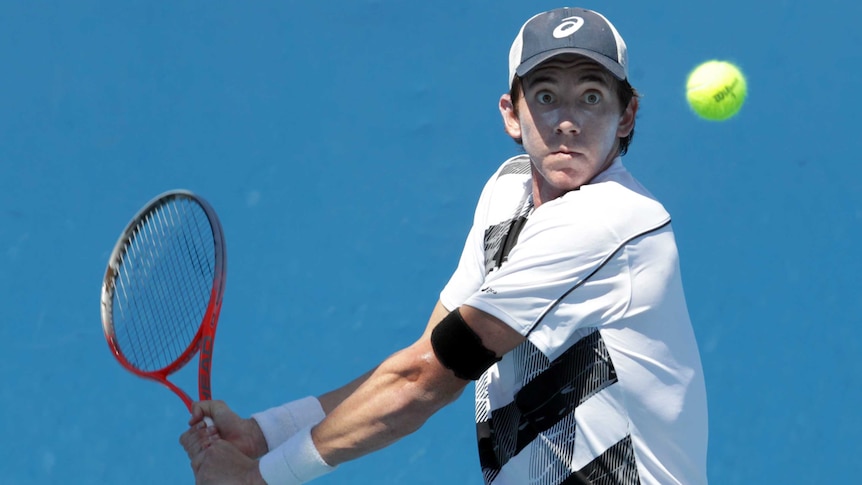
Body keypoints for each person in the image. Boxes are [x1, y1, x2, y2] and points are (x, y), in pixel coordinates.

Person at [180, 7, 708, 484]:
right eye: (546, 96)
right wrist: (268, 434)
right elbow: (424, 355)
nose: (567, 120)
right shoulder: (507, 196)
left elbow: (424, 381)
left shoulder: (609, 218)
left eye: (592, 97)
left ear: (628, 115)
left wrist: (262, 479)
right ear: (511, 113)